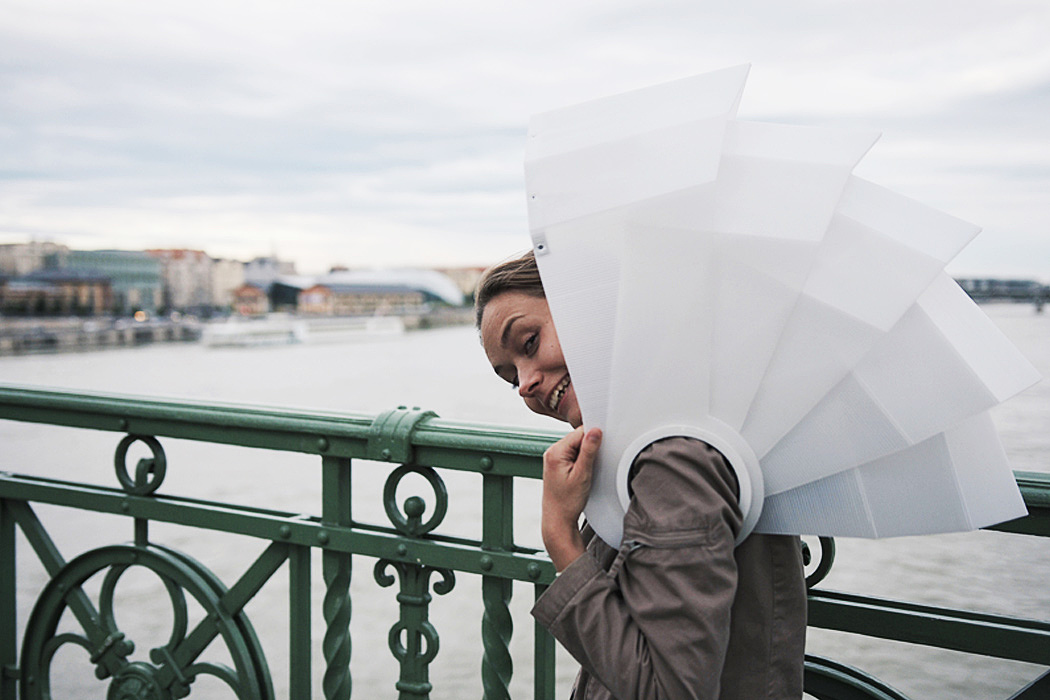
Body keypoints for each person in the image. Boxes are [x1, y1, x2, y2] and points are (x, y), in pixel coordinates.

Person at [475, 250, 807, 700]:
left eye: (529, 343)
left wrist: (560, 535)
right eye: (510, 376)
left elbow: (668, 691)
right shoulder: (676, 423)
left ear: (587, 306)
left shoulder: (673, 458)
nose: (526, 383)